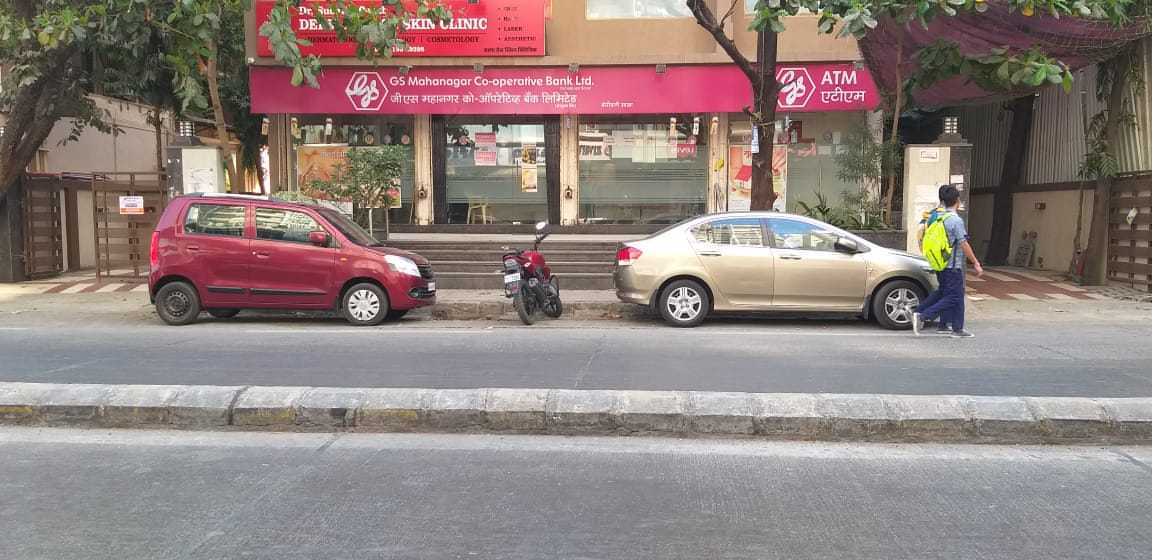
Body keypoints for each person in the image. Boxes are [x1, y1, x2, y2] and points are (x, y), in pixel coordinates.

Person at [913, 184, 983, 338]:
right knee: (955, 296)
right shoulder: (955, 220)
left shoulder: (935, 217)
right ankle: (923, 316)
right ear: (957, 200)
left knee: (944, 293)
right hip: (953, 266)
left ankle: (945, 325)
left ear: (942, 200)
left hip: (940, 264)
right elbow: (963, 243)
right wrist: (975, 262)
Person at [915, 191, 950, 334]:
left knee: (944, 290)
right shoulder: (946, 216)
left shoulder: (931, 214)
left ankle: (941, 322)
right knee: (949, 293)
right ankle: (923, 315)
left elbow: (920, 235)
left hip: (933, 258)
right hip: (944, 259)